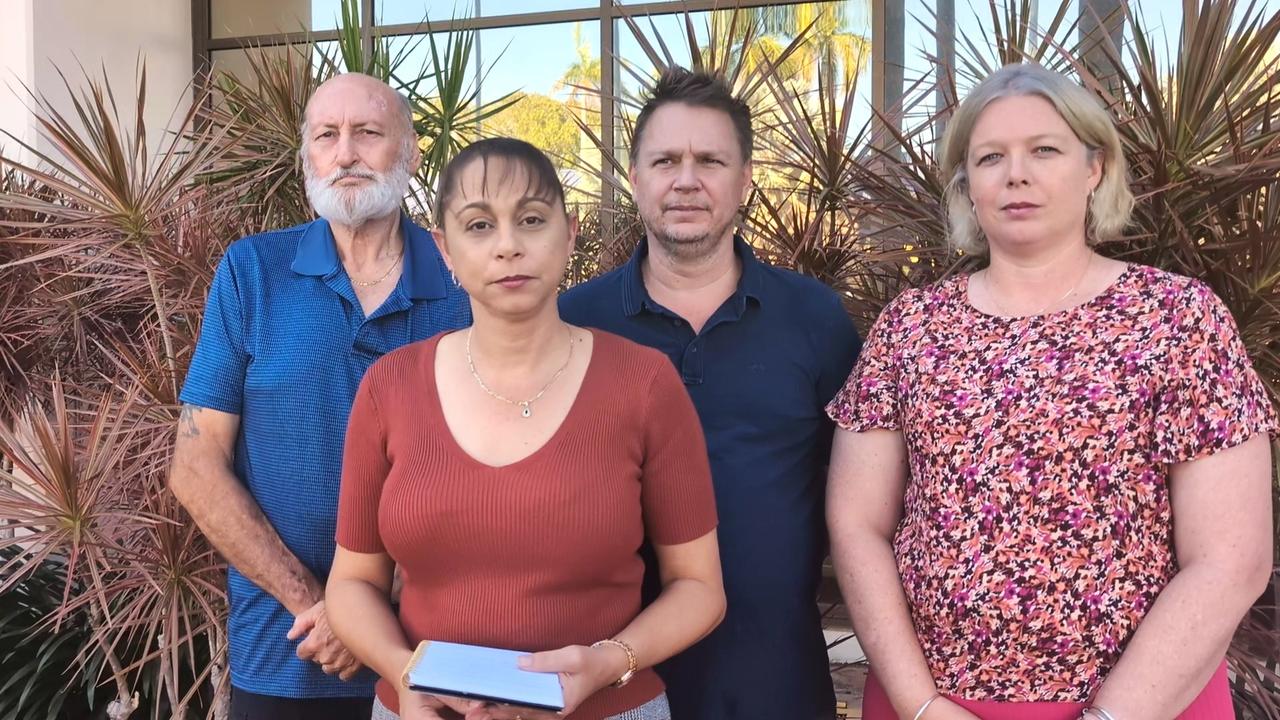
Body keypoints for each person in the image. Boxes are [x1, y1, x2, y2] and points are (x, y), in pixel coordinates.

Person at [826, 62, 1276, 720]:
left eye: (1044, 150)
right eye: (990, 157)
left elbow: (1231, 558)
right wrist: (920, 704)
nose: (1016, 174)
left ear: (1094, 168)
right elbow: (856, 523)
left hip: (1143, 706)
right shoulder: (911, 327)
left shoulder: (1178, 319)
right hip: (935, 707)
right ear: (967, 184)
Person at [324, 137, 727, 720]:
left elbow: (700, 587)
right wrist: (402, 671)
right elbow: (352, 583)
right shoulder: (390, 387)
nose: (509, 246)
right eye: (480, 226)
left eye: (532, 220)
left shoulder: (643, 384)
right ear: (445, 250)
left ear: (568, 234)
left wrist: (608, 663)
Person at [560, 68, 862, 719]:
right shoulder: (569, 323)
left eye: (711, 160)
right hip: (601, 683)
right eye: (665, 160)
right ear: (636, 178)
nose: (687, 180)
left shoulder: (814, 319)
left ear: (745, 179)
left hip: (773, 681)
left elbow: (864, 507)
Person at [169, 73, 470, 720]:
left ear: (411, 152)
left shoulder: (462, 284)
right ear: (306, 154)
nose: (346, 153)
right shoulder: (252, 273)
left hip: (438, 653)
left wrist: (358, 610)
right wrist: (318, 605)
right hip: (289, 652)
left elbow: (489, 475)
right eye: (326, 135)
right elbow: (194, 466)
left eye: (368, 132)